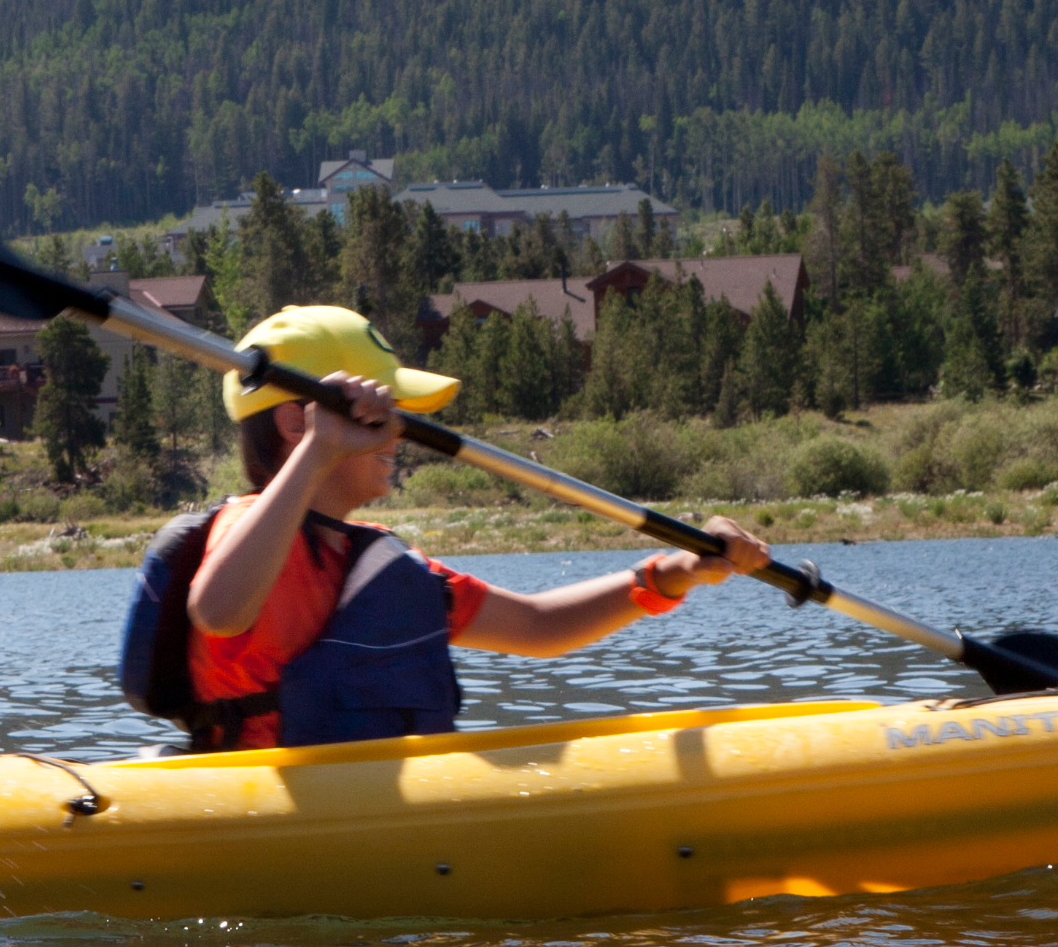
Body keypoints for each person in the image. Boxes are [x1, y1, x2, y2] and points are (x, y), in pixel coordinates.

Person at [118, 304, 770, 750]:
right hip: (259, 808)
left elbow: (540, 626)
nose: (398, 430)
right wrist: (320, 451)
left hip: (357, 807)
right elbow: (219, 609)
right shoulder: (245, 529)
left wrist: (675, 572)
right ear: (297, 424)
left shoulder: (371, 565)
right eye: (384, 412)